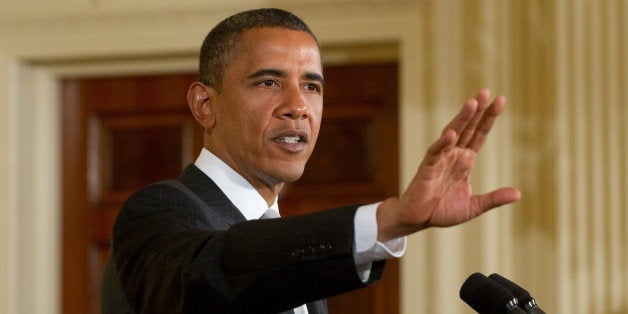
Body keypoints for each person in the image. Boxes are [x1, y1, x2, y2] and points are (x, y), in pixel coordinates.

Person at [101, 8, 521, 314]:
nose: (297, 106)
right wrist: (387, 220)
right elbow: (206, 277)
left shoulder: (292, 246)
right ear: (205, 104)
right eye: (268, 82)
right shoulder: (161, 210)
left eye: (312, 86)